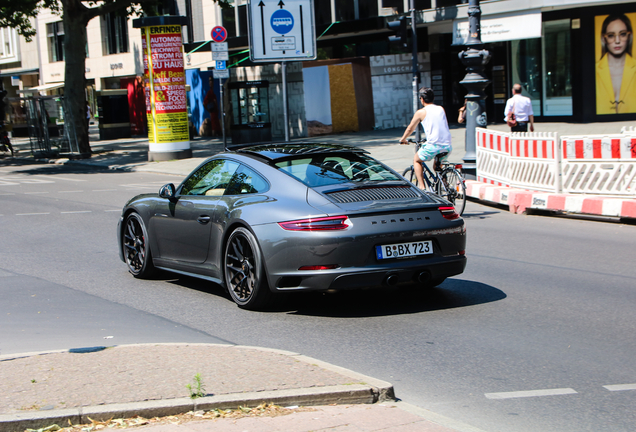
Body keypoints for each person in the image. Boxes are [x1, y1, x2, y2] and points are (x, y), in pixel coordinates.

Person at [399, 87, 452, 190]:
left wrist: (403, 139)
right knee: (436, 167)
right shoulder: (441, 108)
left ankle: (422, 187)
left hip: (433, 145)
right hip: (447, 146)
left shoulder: (421, 112)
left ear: (422, 99)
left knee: (417, 160)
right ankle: (445, 186)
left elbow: (410, 128)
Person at [596, 13, 635, 114]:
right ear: (604, 38)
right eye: (611, 36)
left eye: (622, 34)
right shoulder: (593, 71)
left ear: (629, 36)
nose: (617, 41)